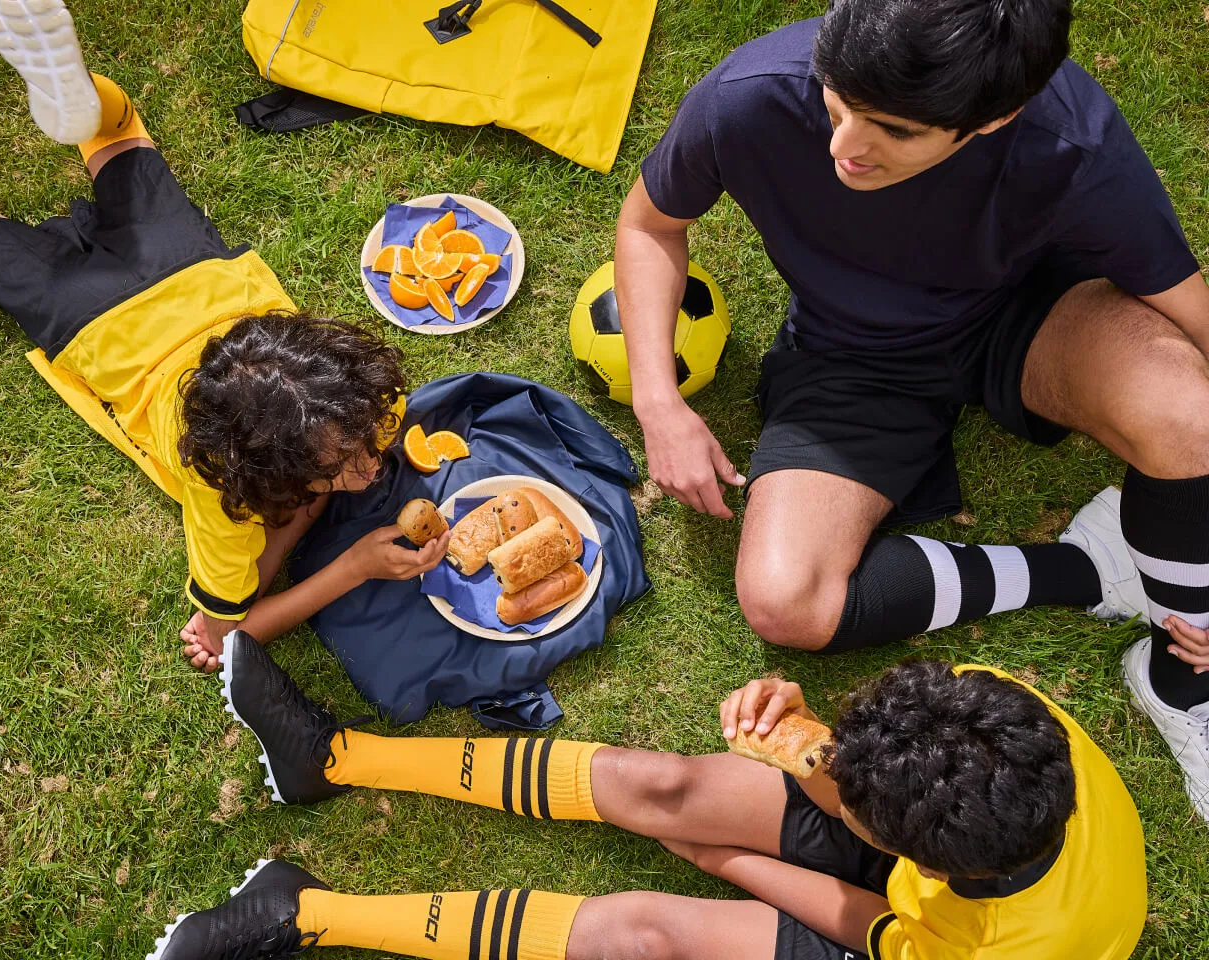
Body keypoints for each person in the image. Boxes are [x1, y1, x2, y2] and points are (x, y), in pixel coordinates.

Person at [613, 0, 1209, 819]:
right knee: (785, 600)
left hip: (1032, 319)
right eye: (837, 100)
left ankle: (1183, 680)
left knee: (1189, 413)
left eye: (891, 129)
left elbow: (1183, 303)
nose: (844, 146)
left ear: (995, 118)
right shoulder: (749, 93)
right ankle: (1091, 566)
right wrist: (658, 404)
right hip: (850, 357)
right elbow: (650, 222)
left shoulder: (1072, 140)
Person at [0, 0, 449, 672]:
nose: (373, 466)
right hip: (106, 314)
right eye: (343, 465)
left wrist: (301, 512)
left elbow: (226, 619)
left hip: (178, 277)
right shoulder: (226, 490)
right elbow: (222, 634)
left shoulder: (356, 416)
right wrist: (348, 561)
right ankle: (82, 106)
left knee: (98, 144)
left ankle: (82, 106)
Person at [143, 632, 1145, 960]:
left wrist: (733, 863)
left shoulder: (999, 946)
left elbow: (874, 919)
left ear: (914, 857)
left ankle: (305, 914)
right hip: (952, 848)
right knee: (650, 783)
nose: (820, 771)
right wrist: (801, 726)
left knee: (639, 935)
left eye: (843, 795)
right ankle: (336, 758)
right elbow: (864, 764)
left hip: (930, 935)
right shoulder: (989, 705)